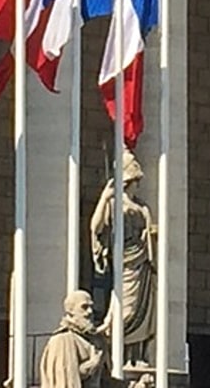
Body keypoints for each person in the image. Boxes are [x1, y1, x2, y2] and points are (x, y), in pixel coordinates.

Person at [90, 148, 157, 365]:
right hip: (126, 262)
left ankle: (135, 357)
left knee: (144, 310)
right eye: (136, 180)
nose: (138, 184)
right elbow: (96, 226)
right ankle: (110, 350)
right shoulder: (114, 203)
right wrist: (104, 198)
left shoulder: (143, 207)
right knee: (125, 311)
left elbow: (148, 233)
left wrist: (153, 235)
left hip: (143, 263)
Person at [39, 290, 109, 388]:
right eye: (84, 307)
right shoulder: (62, 340)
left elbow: (105, 382)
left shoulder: (96, 341)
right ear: (70, 311)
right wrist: (93, 363)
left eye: (91, 307)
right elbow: (65, 379)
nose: (90, 312)